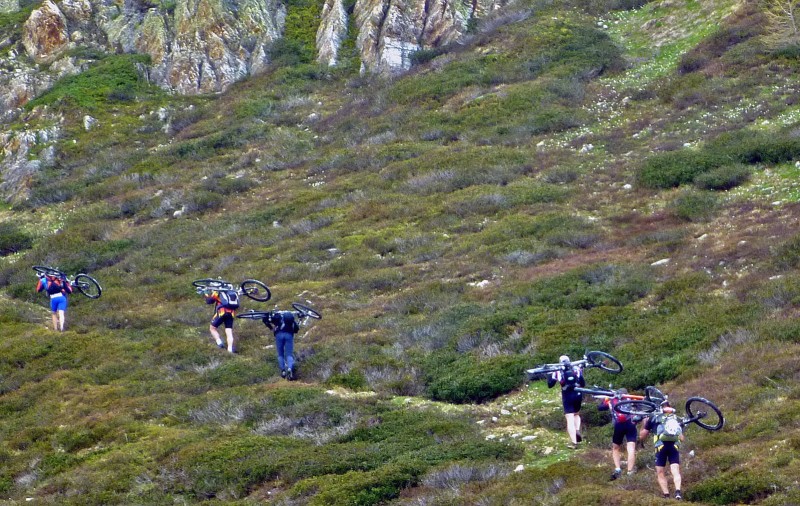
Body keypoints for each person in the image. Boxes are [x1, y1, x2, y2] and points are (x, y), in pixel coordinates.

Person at [639, 401, 685, 500]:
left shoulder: (654, 417)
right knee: (675, 470)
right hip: (674, 446)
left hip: (660, 447)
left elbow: (642, 436)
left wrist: (643, 423)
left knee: (660, 472)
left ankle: (666, 495)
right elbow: (681, 438)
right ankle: (678, 492)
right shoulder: (676, 418)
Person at [598, 388, 640, 480]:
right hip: (631, 424)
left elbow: (600, 408)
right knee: (631, 448)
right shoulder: (631, 399)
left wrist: (605, 399)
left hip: (618, 426)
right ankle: (630, 471)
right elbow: (642, 408)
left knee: (616, 448)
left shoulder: (612, 400)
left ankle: (618, 468)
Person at [547, 355, 585, 448]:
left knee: (569, 418)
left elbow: (550, 385)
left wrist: (549, 374)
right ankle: (577, 430)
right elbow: (583, 383)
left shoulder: (557, 371)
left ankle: (574, 443)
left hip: (567, 395)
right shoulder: (576, 368)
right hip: (578, 394)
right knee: (576, 414)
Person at [263, 310, 299, 380]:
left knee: (280, 354)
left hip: (279, 335)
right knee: (289, 354)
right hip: (289, 336)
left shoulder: (278, 319)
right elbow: (296, 330)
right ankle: (289, 368)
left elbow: (266, 320)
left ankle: (283, 371)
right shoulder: (292, 321)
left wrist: (271, 328)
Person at [203, 288, 237, 353]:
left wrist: (206, 294)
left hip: (222, 312)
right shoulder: (232, 291)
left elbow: (209, 301)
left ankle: (219, 343)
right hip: (231, 313)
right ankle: (229, 350)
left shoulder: (218, 291)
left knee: (212, 328)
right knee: (229, 332)